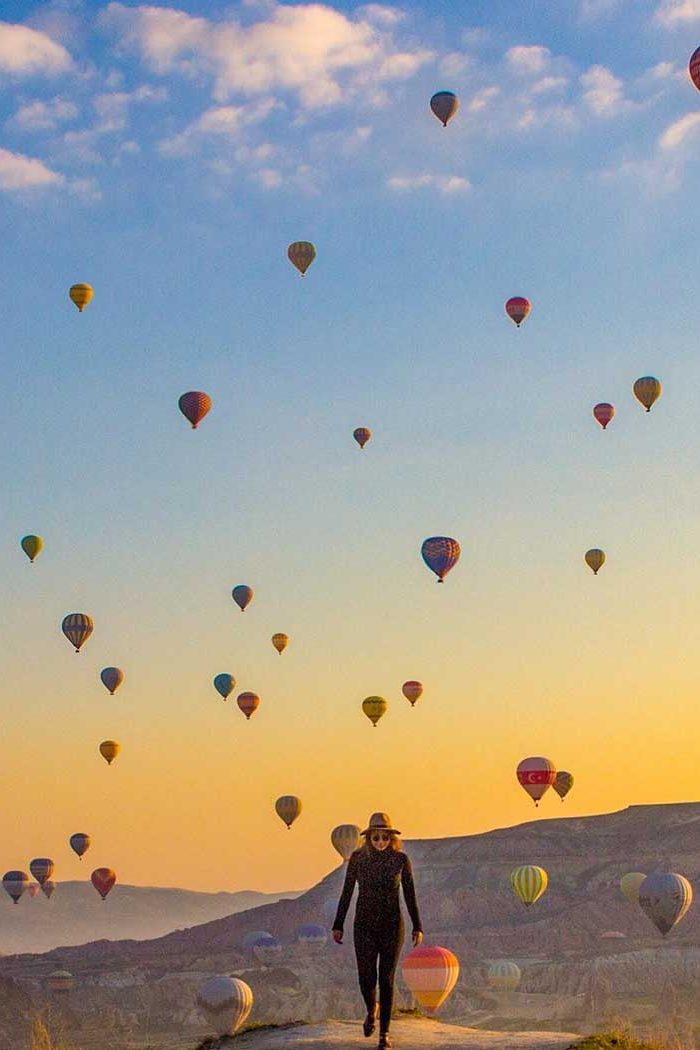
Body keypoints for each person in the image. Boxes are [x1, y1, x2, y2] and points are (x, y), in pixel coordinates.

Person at [332, 813, 423, 1049]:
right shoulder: (357, 859)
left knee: (387, 978)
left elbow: (410, 894)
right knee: (366, 977)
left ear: (391, 838)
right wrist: (338, 924)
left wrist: (417, 925)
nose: (380, 841)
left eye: (384, 837)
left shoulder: (400, 860)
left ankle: (384, 1034)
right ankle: (371, 1009)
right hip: (364, 925)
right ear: (368, 838)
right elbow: (347, 892)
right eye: (376, 837)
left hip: (392, 925)